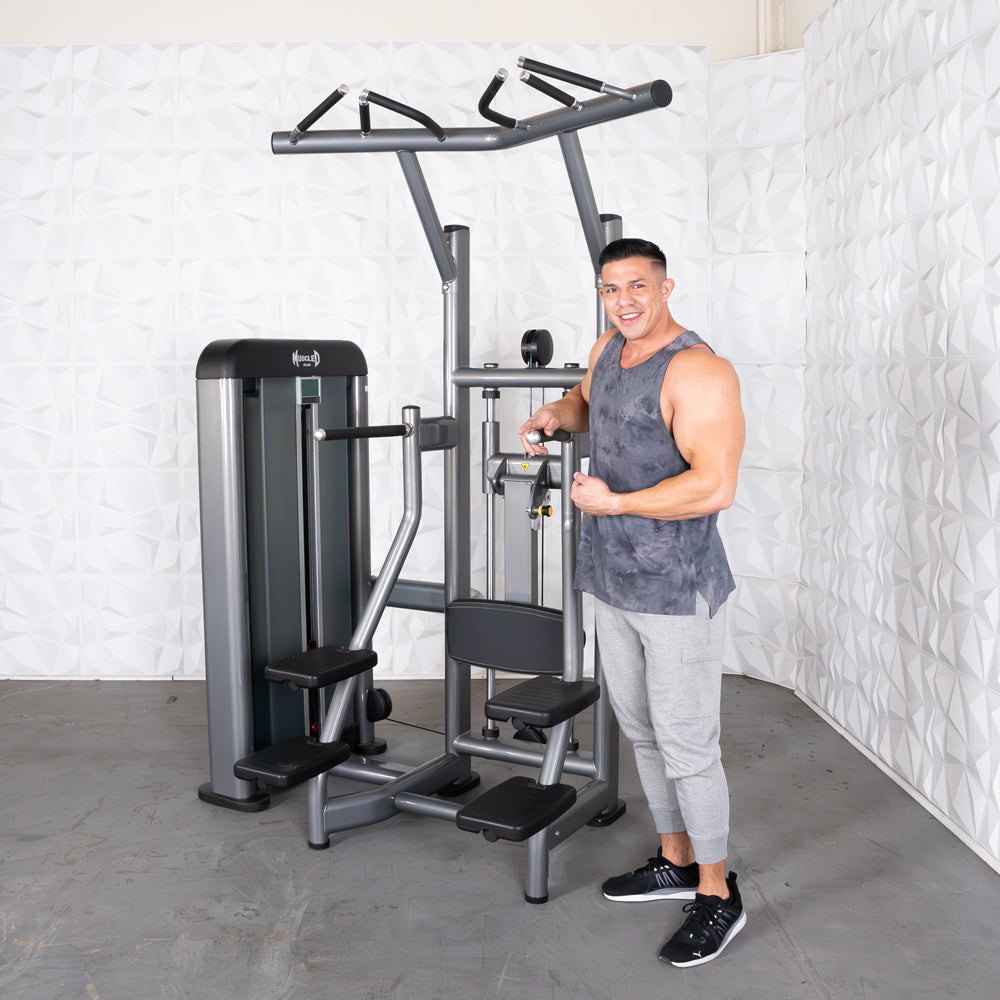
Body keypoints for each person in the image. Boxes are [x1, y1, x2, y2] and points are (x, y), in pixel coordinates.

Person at [518, 238, 746, 967]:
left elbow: (714, 485)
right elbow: (590, 405)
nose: (625, 301)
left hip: (677, 590)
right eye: (612, 289)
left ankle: (716, 892)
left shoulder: (701, 371)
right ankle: (674, 857)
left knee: (687, 743)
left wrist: (613, 503)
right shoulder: (605, 349)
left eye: (638, 287)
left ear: (667, 285)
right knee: (642, 731)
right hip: (610, 579)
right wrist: (554, 415)